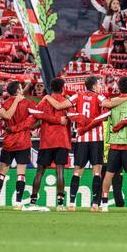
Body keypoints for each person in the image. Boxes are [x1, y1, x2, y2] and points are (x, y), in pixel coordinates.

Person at [43, 75, 109, 210]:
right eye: (99, 84)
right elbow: (108, 105)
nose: (100, 86)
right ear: (94, 86)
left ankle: (72, 203)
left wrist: (47, 97)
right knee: (97, 171)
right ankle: (95, 204)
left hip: (81, 139)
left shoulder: (77, 96)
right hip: (96, 138)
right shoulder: (99, 97)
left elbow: (60, 106)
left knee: (77, 170)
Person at [24, 77, 71, 211]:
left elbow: (35, 115)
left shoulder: (45, 100)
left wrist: (25, 127)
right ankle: (60, 204)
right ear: (62, 88)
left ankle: (32, 202)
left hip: (47, 140)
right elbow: (71, 118)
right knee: (60, 171)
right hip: (62, 140)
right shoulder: (66, 102)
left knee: (39, 172)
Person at [99, 76, 127, 212]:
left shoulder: (112, 101)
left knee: (109, 174)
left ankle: (104, 204)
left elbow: (104, 111)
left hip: (114, 144)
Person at [0, 81, 34, 210]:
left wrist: (11, 127)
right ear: (19, 90)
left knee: (2, 172)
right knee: (21, 173)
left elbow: (1, 119)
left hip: (8, 141)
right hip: (23, 141)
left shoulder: (6, 103)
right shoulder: (27, 103)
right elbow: (35, 118)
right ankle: (18, 203)